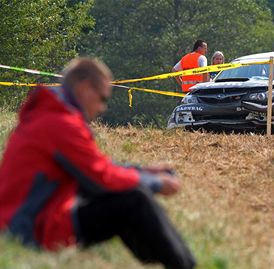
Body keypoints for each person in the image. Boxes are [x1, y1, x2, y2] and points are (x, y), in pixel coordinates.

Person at [0, 58, 195, 269]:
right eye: (102, 98)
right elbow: (102, 178)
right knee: (134, 199)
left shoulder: (50, 115)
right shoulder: (60, 123)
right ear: (84, 88)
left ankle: (160, 259)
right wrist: (156, 183)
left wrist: (143, 171)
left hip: (28, 220)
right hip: (30, 230)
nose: (102, 107)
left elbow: (94, 166)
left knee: (127, 194)